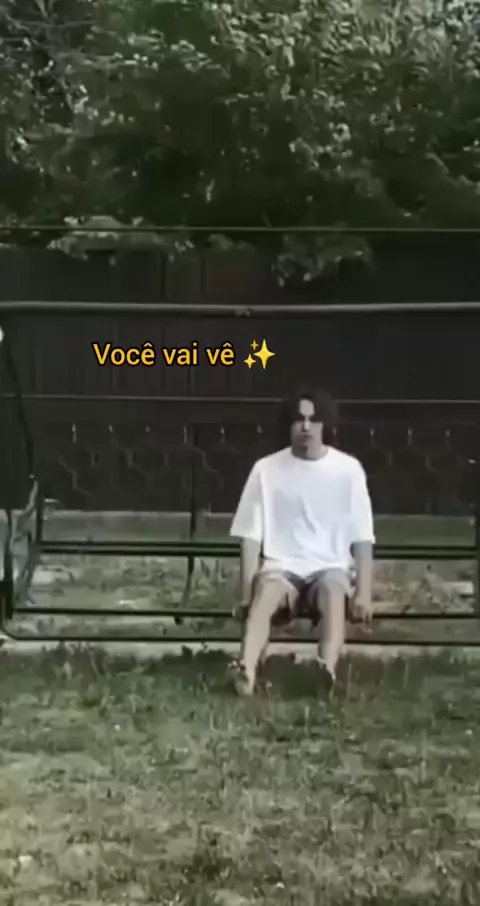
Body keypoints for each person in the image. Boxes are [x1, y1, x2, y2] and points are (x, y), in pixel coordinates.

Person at [229, 387, 375, 696]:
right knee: (265, 595)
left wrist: (363, 593)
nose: (306, 427)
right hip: (281, 566)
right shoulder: (265, 469)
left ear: (325, 425)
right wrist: (245, 594)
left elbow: (363, 537)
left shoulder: (348, 470)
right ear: (289, 425)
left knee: (334, 594)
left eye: (313, 419)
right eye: (298, 420)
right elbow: (250, 537)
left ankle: (325, 670)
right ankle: (246, 668)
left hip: (330, 565)